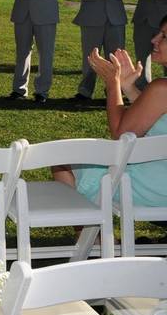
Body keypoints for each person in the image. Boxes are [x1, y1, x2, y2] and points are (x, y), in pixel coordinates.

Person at [53, 19, 167, 209]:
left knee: (61, 159)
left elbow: (121, 135)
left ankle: (92, 239)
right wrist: (129, 88)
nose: (154, 39)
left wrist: (112, 84)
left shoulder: (162, 88)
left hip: (155, 189)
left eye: (164, 36)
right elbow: (158, 116)